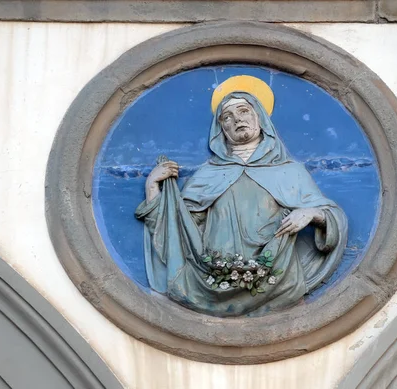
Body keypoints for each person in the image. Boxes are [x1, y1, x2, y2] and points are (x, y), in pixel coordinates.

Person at [135, 81, 347, 317]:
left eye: (244, 111)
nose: (237, 119)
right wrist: (153, 186)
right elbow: (176, 229)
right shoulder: (208, 174)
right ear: (221, 130)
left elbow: (331, 215)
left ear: (260, 118)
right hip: (212, 280)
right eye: (227, 116)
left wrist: (311, 213)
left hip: (279, 278)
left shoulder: (290, 171)